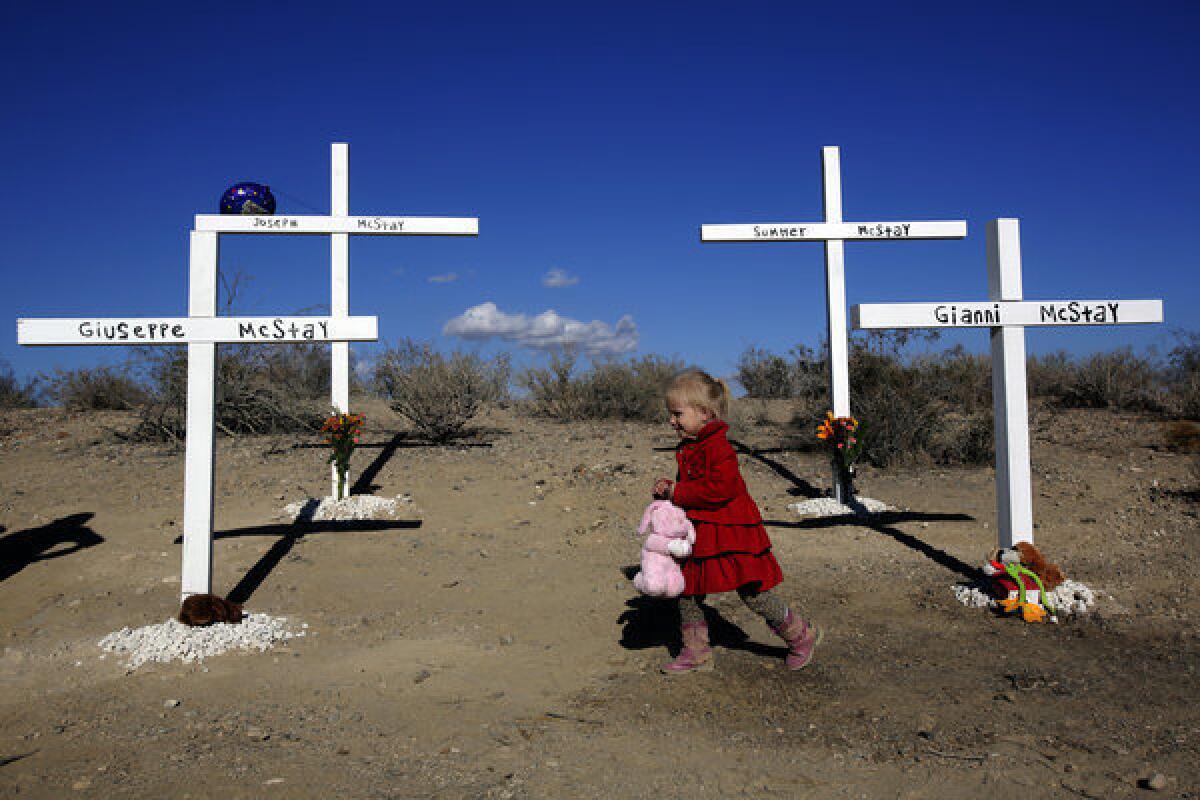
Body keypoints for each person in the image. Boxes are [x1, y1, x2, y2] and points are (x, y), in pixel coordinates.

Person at [651, 370, 822, 674]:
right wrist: (671, 490)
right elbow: (693, 487)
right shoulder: (691, 445)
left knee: (752, 591)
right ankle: (697, 652)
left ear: (704, 413)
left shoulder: (718, 447)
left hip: (731, 532)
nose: (671, 421)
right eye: (671, 414)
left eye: (677, 414)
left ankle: (801, 635)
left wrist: (679, 492)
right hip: (702, 529)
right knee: (687, 588)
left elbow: (721, 488)